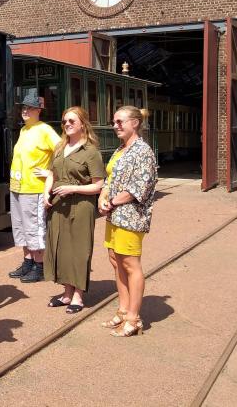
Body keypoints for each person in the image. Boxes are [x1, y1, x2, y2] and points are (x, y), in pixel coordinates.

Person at [98, 106, 157, 337]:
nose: (116, 126)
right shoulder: (121, 149)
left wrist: (110, 201)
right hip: (115, 215)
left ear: (135, 123)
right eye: (114, 122)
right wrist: (103, 196)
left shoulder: (143, 151)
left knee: (131, 265)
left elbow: (137, 188)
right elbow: (110, 178)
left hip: (131, 216)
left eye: (120, 122)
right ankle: (123, 310)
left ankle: (133, 319)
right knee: (116, 260)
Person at [42, 107, 106, 314]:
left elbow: (98, 185)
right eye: (64, 121)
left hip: (81, 206)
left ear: (82, 124)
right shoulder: (60, 148)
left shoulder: (90, 151)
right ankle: (66, 292)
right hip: (58, 205)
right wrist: (45, 193)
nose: (67, 124)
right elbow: (51, 174)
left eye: (71, 121)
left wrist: (73, 188)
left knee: (78, 250)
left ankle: (78, 295)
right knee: (61, 248)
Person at [7, 92, 61, 283]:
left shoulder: (45, 130)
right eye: (23, 107)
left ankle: (40, 266)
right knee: (21, 227)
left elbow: (62, 151)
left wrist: (51, 173)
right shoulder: (24, 130)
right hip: (18, 186)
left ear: (38, 110)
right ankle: (28, 262)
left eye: (29, 108)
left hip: (34, 188)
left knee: (33, 228)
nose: (25, 111)